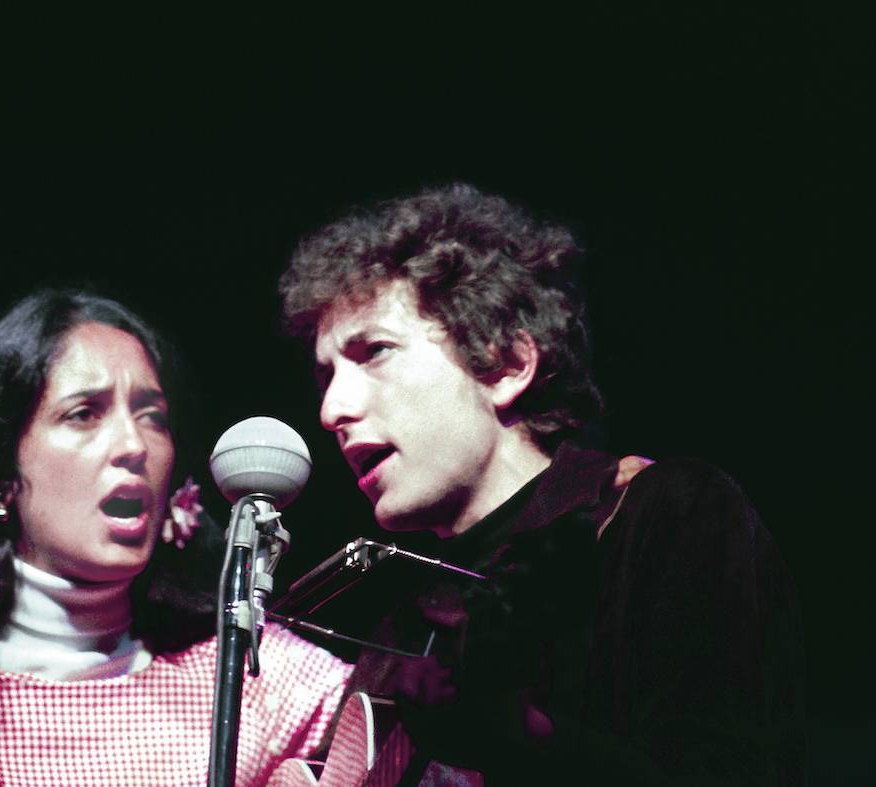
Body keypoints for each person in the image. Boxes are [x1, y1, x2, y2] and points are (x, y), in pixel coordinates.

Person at [279, 184, 806, 784]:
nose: (331, 410)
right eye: (326, 375)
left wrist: (526, 741)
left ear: (505, 365)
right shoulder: (399, 629)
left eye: (373, 351)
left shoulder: (663, 517)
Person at [0, 290, 352, 786]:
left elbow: (420, 735)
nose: (134, 445)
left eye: (152, 415)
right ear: (2, 474)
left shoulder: (251, 673)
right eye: (84, 413)